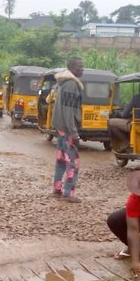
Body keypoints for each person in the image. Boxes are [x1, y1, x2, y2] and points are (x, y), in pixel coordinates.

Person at [51, 57, 84, 203]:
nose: (82, 69)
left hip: (60, 128)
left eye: (82, 67)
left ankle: (57, 189)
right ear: (71, 68)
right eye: (79, 67)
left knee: (60, 160)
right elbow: (68, 110)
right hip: (68, 129)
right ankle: (68, 193)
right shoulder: (71, 84)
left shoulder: (63, 83)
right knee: (73, 162)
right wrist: (74, 132)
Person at [109, 81, 140, 153]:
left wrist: (119, 113)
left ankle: (127, 142)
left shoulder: (136, 98)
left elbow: (125, 115)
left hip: (136, 125)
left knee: (110, 122)